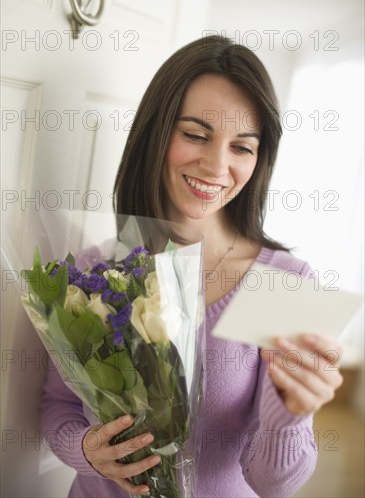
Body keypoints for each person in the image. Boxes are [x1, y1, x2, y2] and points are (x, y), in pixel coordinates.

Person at [41, 35, 344, 497]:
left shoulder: (285, 283)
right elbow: (58, 406)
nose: (216, 165)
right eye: (196, 135)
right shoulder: (91, 273)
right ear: (156, 133)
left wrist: (290, 417)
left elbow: (273, 484)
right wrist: (87, 451)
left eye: (242, 147)